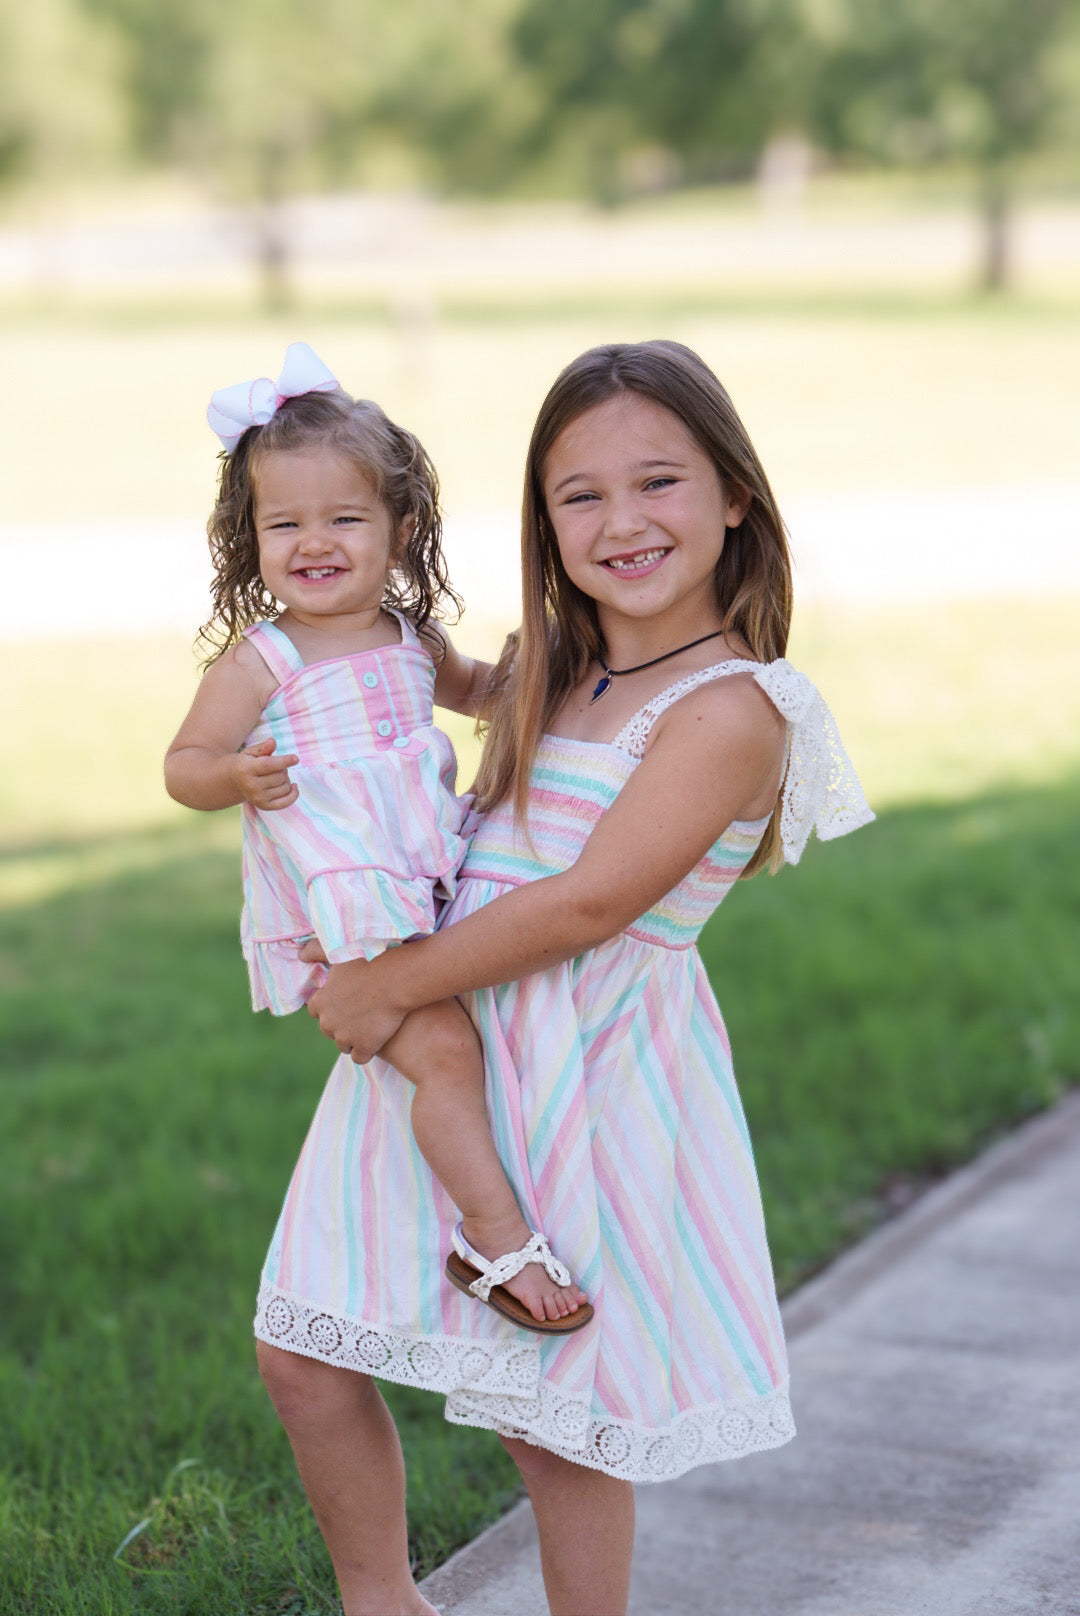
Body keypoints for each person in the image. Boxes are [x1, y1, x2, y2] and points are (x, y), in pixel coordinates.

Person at [256, 340, 874, 1616]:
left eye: (659, 481)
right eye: (579, 494)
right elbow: (428, 741)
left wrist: (388, 985)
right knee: (305, 1352)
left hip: (582, 1076)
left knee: (552, 1423)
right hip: (440, 1059)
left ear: (735, 494)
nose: (621, 521)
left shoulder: (734, 707)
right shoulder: (553, 664)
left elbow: (589, 900)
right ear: (544, 519)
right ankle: (383, 1599)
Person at [165, 342, 588, 1332]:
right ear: (250, 540)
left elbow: (485, 694)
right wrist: (235, 777)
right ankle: (493, 1237)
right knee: (442, 1051)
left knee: (483, 1043)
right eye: (284, 523)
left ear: (400, 531)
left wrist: (538, 670)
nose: (313, 542)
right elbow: (184, 763)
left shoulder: (411, 641)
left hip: (424, 891)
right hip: (344, 917)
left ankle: (479, 1207)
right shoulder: (263, 660)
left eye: (344, 518)